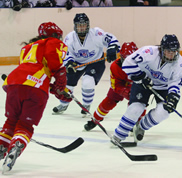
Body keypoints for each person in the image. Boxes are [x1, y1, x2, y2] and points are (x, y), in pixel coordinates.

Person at [0, 22, 68, 173]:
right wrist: (60, 83)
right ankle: (16, 146)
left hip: (14, 83)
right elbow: (53, 61)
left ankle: (2, 145)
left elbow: (29, 72)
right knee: (24, 125)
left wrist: (55, 87)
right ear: (55, 35)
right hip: (36, 88)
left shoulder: (27, 47)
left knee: (11, 121)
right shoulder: (53, 42)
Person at [111, 34, 182, 144]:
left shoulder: (180, 63)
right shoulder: (148, 52)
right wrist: (140, 77)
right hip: (142, 83)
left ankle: (141, 126)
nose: (172, 55)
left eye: (174, 51)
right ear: (162, 49)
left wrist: (172, 97)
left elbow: (175, 82)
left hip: (163, 87)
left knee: (164, 111)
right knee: (135, 108)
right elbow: (128, 63)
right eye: (168, 51)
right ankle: (118, 136)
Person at [52, 13, 120, 117]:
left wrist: (112, 48)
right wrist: (69, 63)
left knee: (88, 82)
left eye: (83, 25)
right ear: (75, 26)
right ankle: (63, 104)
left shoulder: (96, 34)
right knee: (67, 84)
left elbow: (111, 39)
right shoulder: (70, 38)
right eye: (79, 25)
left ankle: (86, 105)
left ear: (88, 25)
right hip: (77, 63)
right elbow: (66, 53)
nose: (81, 28)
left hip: (95, 62)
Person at [84, 42, 146, 131]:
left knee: (139, 102)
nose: (129, 62)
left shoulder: (143, 65)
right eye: (126, 59)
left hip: (136, 85)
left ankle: (137, 122)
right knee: (109, 101)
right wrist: (125, 91)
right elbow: (115, 85)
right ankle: (95, 119)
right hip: (121, 85)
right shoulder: (115, 66)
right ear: (121, 57)